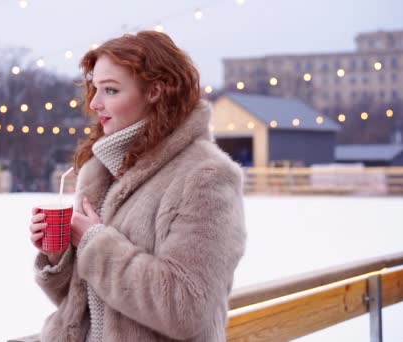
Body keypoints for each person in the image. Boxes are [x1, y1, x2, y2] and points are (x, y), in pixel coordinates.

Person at [28, 30, 247, 341]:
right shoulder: (99, 170)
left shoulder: (206, 176)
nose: (95, 103)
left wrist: (93, 242)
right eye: (95, 89)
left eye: (111, 91)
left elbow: (185, 309)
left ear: (156, 91)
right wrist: (57, 256)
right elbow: (86, 302)